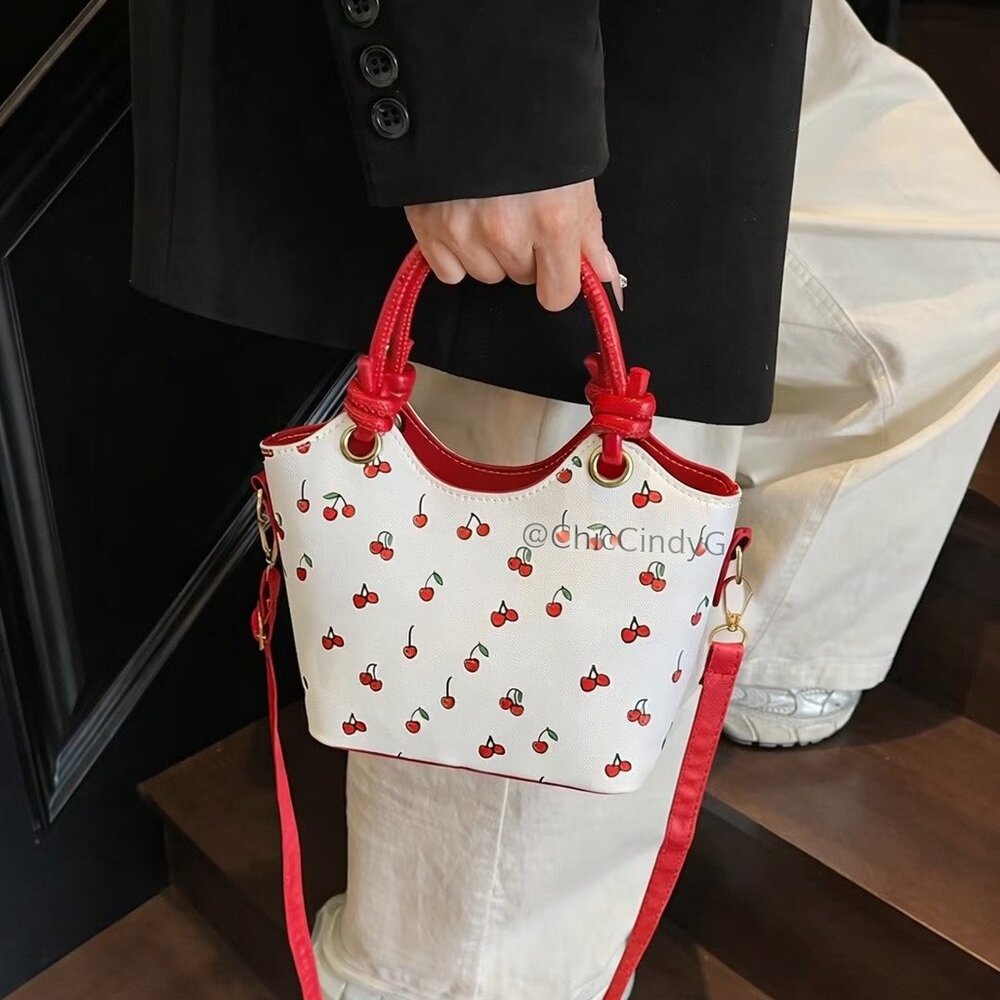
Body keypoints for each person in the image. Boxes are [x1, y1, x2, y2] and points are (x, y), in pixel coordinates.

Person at [127, 0, 999, 996]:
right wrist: (490, 108)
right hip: (544, 45)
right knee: (537, 466)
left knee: (955, 267)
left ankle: (714, 666)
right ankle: (449, 972)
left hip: (734, 35)